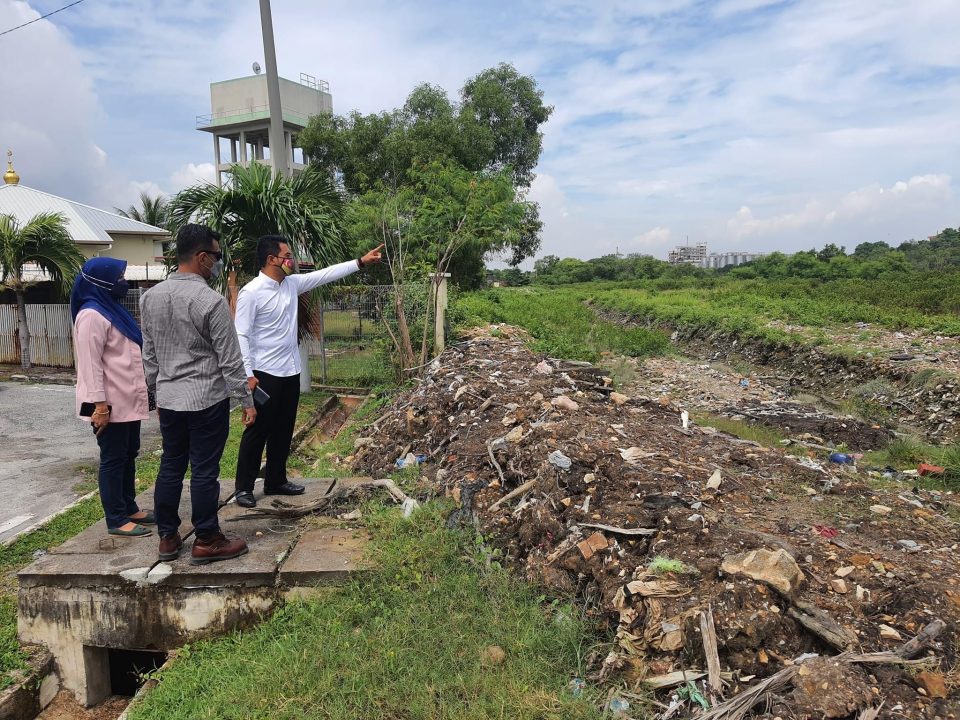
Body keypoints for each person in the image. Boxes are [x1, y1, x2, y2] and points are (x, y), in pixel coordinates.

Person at [233, 236, 383, 508]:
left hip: (290, 371)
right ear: (272, 260)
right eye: (287, 255)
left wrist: (360, 262)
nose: (291, 260)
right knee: (258, 431)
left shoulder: (292, 284)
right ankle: (243, 488)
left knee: (283, 429)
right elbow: (241, 334)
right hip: (263, 374)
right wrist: (247, 374)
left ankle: (276, 480)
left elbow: (325, 275)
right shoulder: (251, 292)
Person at [140, 224, 256, 564]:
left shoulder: (150, 298)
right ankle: (207, 538)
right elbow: (230, 359)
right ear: (202, 257)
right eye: (217, 257)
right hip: (206, 399)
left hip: (171, 399)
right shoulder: (211, 301)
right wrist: (246, 402)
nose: (218, 264)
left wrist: (156, 393)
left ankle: (167, 536)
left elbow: (149, 354)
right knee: (205, 469)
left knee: (171, 465)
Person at [72, 257, 153, 537]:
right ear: (102, 282)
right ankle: (115, 518)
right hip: (108, 404)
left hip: (128, 400)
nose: (123, 282)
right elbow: (90, 365)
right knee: (113, 458)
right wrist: (100, 406)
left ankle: (129, 506)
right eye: (118, 277)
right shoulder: (91, 316)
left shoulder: (112, 310)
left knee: (129, 454)